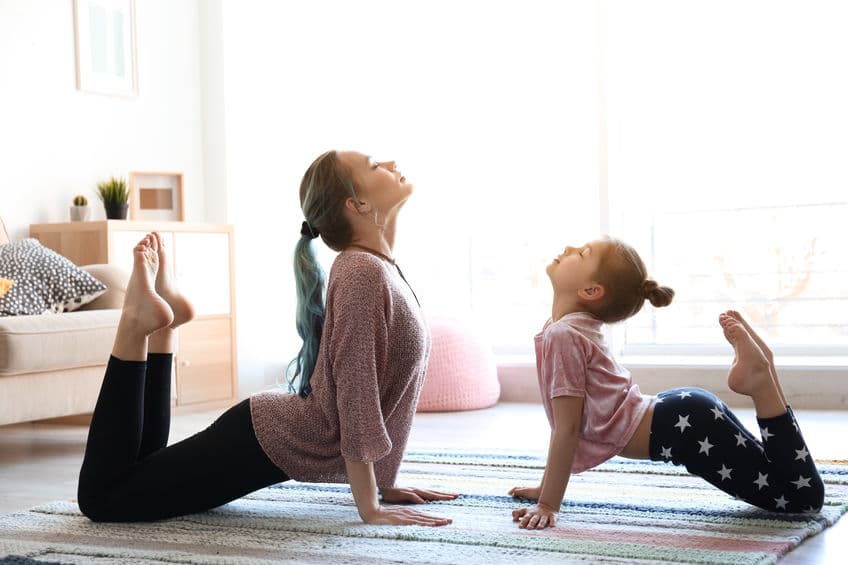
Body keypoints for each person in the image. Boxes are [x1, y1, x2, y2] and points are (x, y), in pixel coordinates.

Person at [77, 150, 458, 526]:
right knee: (103, 499)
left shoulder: (378, 269)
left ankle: (164, 328)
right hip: (267, 440)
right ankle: (134, 325)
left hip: (275, 435)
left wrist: (384, 486)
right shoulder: (361, 272)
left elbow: (390, 395)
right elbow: (356, 393)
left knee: (141, 471)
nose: (391, 163)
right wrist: (369, 509)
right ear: (355, 203)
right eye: (375, 165)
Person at [509, 237, 824, 529]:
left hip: (682, 428)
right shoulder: (568, 329)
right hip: (682, 417)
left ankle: (762, 382)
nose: (568, 248)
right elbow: (566, 427)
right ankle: (763, 367)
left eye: (581, 253)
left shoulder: (562, 335)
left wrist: (549, 503)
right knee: (784, 477)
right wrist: (544, 488)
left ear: (592, 291)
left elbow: (567, 429)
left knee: (803, 500)